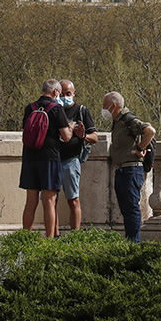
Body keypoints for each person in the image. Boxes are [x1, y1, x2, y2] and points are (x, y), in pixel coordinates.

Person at [20, 79, 74, 238]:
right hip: (49, 158)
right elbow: (66, 137)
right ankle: (49, 241)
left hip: (30, 158)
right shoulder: (56, 108)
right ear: (56, 92)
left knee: (30, 202)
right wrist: (71, 127)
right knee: (49, 201)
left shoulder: (30, 108)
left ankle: (25, 237)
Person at [102, 91, 155, 242]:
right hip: (121, 169)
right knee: (125, 209)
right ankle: (130, 240)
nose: (103, 109)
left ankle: (134, 242)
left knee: (131, 208)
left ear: (113, 106)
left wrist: (140, 148)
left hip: (131, 170)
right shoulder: (118, 122)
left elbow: (150, 131)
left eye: (105, 106)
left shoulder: (128, 119)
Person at [55, 79, 99, 232]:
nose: (64, 97)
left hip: (71, 161)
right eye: (61, 94)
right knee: (51, 201)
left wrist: (83, 136)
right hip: (52, 160)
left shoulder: (81, 111)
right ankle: (54, 236)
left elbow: (94, 137)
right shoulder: (54, 110)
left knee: (73, 200)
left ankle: (75, 235)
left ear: (74, 93)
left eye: (68, 93)